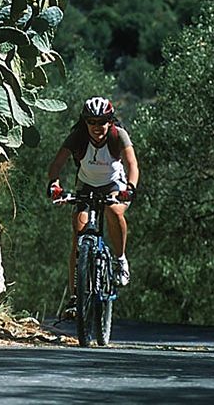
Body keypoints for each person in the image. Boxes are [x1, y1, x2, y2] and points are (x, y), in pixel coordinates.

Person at [46, 96, 139, 318]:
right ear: (85, 122)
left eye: (102, 122)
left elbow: (132, 164)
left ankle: (119, 260)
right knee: (78, 236)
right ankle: (75, 297)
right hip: (86, 185)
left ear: (110, 121)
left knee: (114, 211)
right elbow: (56, 165)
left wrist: (130, 188)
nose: (97, 127)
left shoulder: (119, 135)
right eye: (91, 122)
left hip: (114, 185)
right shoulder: (77, 136)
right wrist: (54, 185)